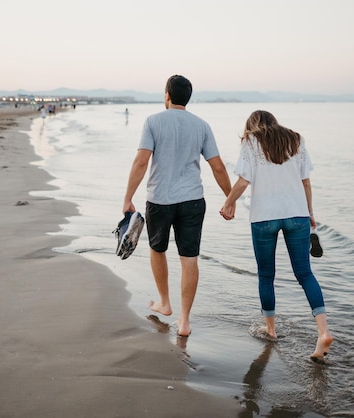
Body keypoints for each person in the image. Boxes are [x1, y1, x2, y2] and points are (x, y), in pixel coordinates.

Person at [122, 75, 233, 337]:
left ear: (167, 95)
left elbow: (141, 162)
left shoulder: (153, 121)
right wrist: (230, 199)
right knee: (189, 258)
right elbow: (217, 166)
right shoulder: (202, 125)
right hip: (193, 201)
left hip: (160, 200)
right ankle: (184, 321)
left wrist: (127, 197)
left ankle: (165, 302)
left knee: (157, 249)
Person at [220, 110, 333, 361]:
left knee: (266, 275)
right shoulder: (296, 139)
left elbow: (242, 181)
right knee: (305, 274)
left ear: (252, 126)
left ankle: (271, 330)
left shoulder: (251, 142)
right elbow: (305, 182)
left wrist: (228, 202)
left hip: (264, 217)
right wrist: (310, 212)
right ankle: (323, 331)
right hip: (297, 215)